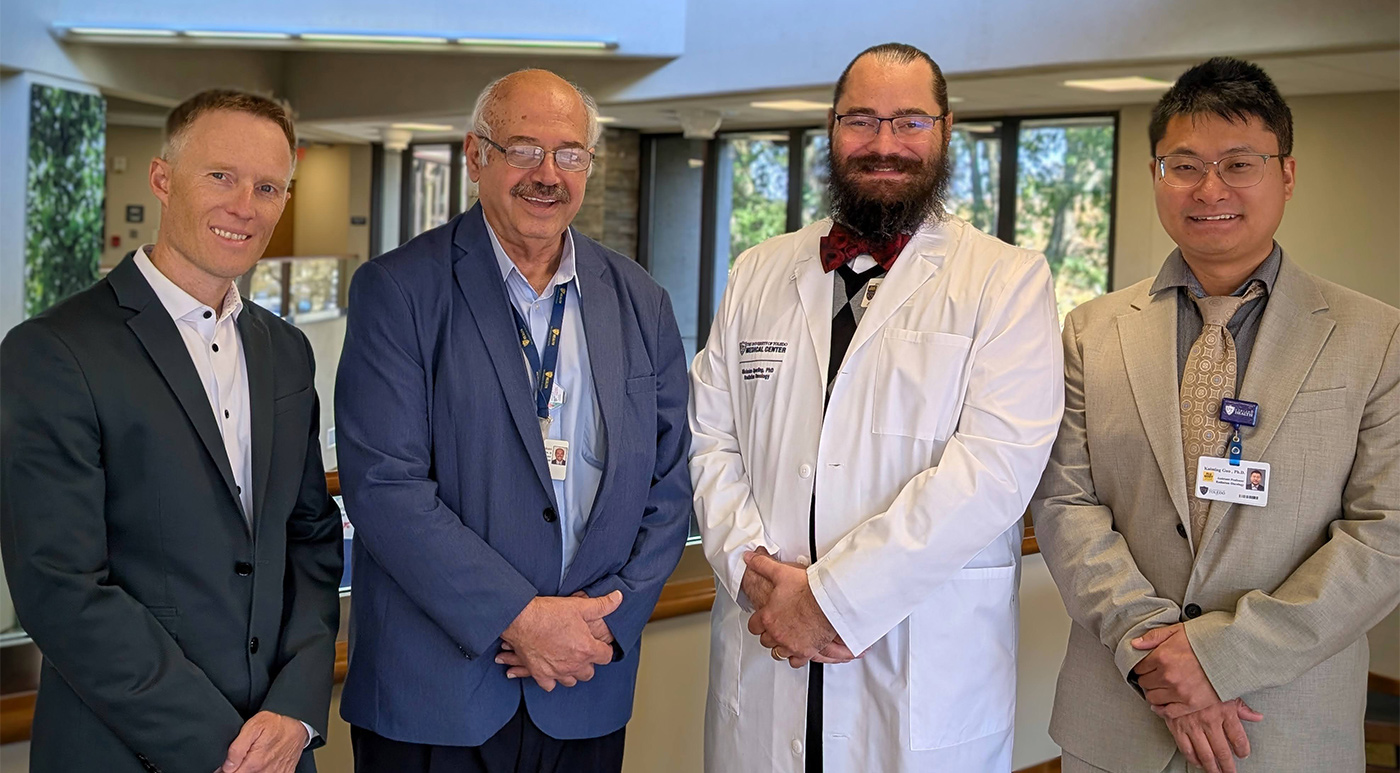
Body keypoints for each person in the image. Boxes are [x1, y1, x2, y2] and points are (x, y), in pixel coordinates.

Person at [689, 42, 1064, 773]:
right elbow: (711, 439)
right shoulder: (757, 271)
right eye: (861, 120)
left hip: (919, 659)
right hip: (767, 645)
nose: (884, 144)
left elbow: (992, 472)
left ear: (946, 130)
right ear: (832, 129)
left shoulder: (1007, 280)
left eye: (909, 122)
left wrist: (830, 599)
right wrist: (752, 572)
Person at [1032, 57, 1400, 773]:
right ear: (1154, 174)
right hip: (1119, 713)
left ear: (1286, 174)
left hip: (1284, 722)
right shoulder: (1090, 329)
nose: (1210, 189)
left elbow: (1384, 534)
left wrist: (1221, 657)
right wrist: (1153, 649)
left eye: (1239, 163)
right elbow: (1065, 501)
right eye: (1184, 165)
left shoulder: (1375, 336)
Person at [335, 69, 692, 773]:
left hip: (586, 682)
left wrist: (601, 627)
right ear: (476, 156)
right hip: (436, 694)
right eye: (524, 149)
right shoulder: (399, 290)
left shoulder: (641, 300)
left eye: (570, 153)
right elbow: (385, 486)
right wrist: (523, 618)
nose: (548, 174)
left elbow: (670, 481)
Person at [1, 90, 342, 773]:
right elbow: (59, 584)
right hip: (129, 751)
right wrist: (221, 745)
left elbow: (309, 536)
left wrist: (297, 708)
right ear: (162, 179)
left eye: (268, 186)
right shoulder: (54, 350)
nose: (245, 204)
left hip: (278, 747)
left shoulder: (286, 350)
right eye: (221, 175)